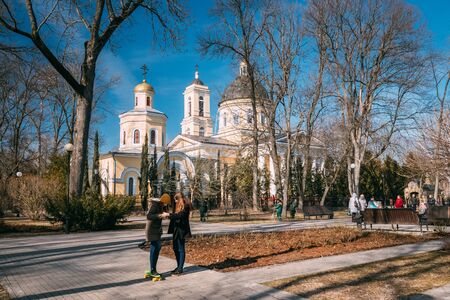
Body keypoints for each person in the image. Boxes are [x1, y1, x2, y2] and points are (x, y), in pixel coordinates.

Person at [144, 194, 170, 278]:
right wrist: (160, 215)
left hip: (156, 230)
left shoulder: (160, 205)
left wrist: (163, 215)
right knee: (155, 248)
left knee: (156, 248)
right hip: (152, 230)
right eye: (166, 203)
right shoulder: (155, 205)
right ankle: (153, 270)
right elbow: (149, 216)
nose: (166, 205)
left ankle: (153, 269)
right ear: (163, 201)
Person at [168, 192, 192, 275]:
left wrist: (169, 215)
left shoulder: (186, 206)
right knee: (175, 248)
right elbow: (175, 215)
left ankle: (180, 268)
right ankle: (178, 266)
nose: (175, 202)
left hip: (182, 231)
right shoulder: (177, 206)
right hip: (176, 230)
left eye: (176, 200)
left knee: (181, 249)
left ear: (179, 199)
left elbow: (179, 216)